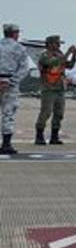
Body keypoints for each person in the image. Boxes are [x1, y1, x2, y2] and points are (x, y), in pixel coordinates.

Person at [35, 35, 76, 145]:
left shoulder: (60, 54)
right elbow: (54, 62)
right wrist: (68, 53)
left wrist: (74, 56)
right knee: (46, 112)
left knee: (59, 113)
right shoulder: (45, 55)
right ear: (50, 44)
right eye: (56, 43)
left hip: (60, 87)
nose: (58, 45)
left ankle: (54, 136)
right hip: (48, 87)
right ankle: (39, 135)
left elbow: (69, 65)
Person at [0, 24, 33, 155]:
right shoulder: (19, 48)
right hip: (10, 84)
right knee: (8, 113)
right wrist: (11, 82)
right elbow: (24, 68)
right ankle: (6, 144)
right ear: (14, 34)